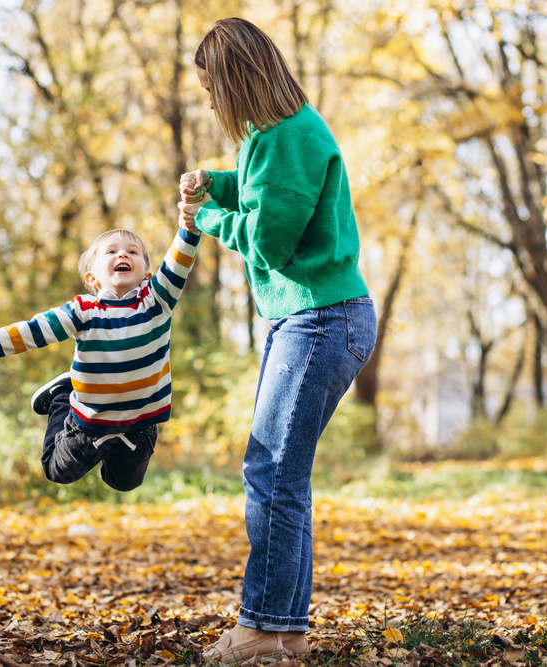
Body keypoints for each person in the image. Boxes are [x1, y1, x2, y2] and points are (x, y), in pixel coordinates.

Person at [177, 18, 377, 664]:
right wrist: (216, 180)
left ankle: (262, 624)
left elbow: (267, 240)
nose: (211, 103)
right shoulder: (275, 137)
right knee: (284, 475)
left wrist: (204, 217)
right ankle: (285, 628)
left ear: (236, 81)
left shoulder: (287, 137)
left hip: (319, 319)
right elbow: (266, 197)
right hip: (310, 319)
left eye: (212, 91)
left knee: (268, 469)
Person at [0, 227, 200, 491]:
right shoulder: (84, 311)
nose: (123, 254)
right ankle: (63, 395)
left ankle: (109, 441)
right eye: (111, 251)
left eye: (132, 251)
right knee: (56, 470)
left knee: (121, 483)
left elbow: (180, 259)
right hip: (90, 421)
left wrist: (189, 225)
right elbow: (31, 331)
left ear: (147, 273)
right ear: (93, 277)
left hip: (139, 425)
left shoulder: (157, 302)